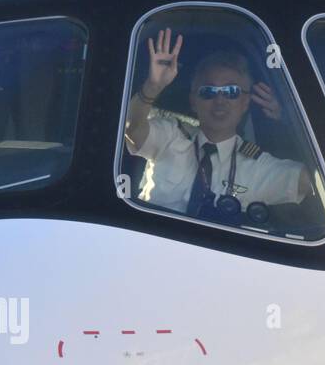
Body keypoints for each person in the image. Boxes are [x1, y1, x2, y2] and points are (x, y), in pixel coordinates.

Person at [124, 29, 312, 223]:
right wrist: (152, 87)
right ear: (193, 101)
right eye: (208, 91)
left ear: (246, 102)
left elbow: (317, 180)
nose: (219, 100)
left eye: (231, 91)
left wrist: (290, 120)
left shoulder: (257, 164)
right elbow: (131, 130)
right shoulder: (171, 134)